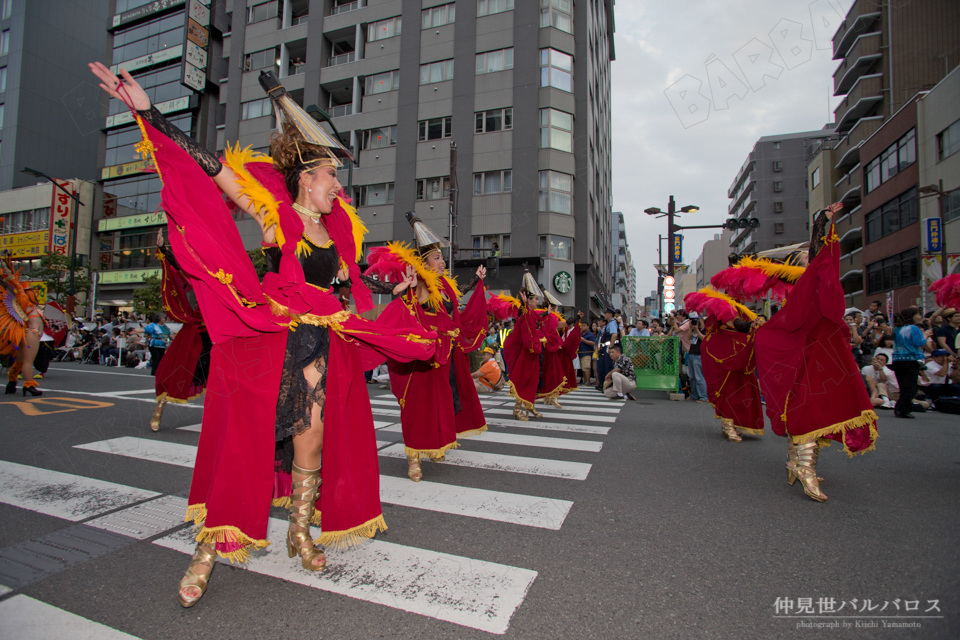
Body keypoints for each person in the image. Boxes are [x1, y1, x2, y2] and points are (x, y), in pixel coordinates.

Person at [90, 63, 435, 607]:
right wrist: (148, 111)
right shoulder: (275, 216)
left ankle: (299, 532)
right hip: (270, 335)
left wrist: (394, 275)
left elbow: (354, 273)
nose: (338, 185)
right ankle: (207, 550)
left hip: (323, 340)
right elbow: (214, 172)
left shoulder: (340, 227)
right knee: (242, 443)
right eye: (330, 175)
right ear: (306, 177)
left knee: (314, 438)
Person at [754, 203, 877, 503]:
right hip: (810, 358)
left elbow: (824, 259)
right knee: (812, 409)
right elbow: (822, 255)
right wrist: (821, 222)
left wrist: (822, 224)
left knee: (816, 409)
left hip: (823, 356)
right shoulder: (809, 288)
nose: (821, 259)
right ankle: (804, 466)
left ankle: (798, 462)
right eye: (812, 257)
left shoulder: (819, 284)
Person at [366, 214, 488, 481]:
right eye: (436, 258)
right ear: (423, 263)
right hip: (420, 357)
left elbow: (458, 296)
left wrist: (476, 280)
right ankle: (413, 459)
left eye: (442, 257)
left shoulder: (445, 286)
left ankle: (434, 446)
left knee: (440, 403)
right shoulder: (419, 284)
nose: (442, 261)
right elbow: (393, 294)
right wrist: (405, 286)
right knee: (417, 407)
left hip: (444, 356)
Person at [149, 235, 213, 432]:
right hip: (194, 332)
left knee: (222, 377)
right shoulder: (198, 275)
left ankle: (216, 417)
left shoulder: (225, 277)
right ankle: (159, 408)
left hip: (216, 333)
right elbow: (179, 267)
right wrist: (164, 249)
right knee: (176, 371)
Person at [501, 273, 547, 421]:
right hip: (526, 353)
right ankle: (517, 409)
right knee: (523, 380)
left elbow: (536, 328)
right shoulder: (526, 315)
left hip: (531, 352)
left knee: (532, 380)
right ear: (529, 300)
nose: (538, 301)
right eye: (536, 299)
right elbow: (528, 337)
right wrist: (539, 341)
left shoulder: (531, 314)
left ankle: (529, 405)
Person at [1, 259, 44, 396]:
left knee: (20, 361)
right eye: (29, 291)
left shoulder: (30, 307)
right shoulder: (25, 304)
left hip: (30, 333)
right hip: (31, 334)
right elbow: (19, 290)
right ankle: (29, 385)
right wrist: (11, 277)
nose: (32, 293)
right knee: (27, 361)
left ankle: (12, 383)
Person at [891, 306, 928, 419]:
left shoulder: (897, 328)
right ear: (911, 316)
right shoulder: (913, 328)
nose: (920, 317)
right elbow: (919, 342)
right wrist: (926, 335)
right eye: (918, 314)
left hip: (897, 360)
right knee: (910, 386)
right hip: (910, 359)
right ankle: (903, 409)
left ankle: (900, 407)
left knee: (903, 385)